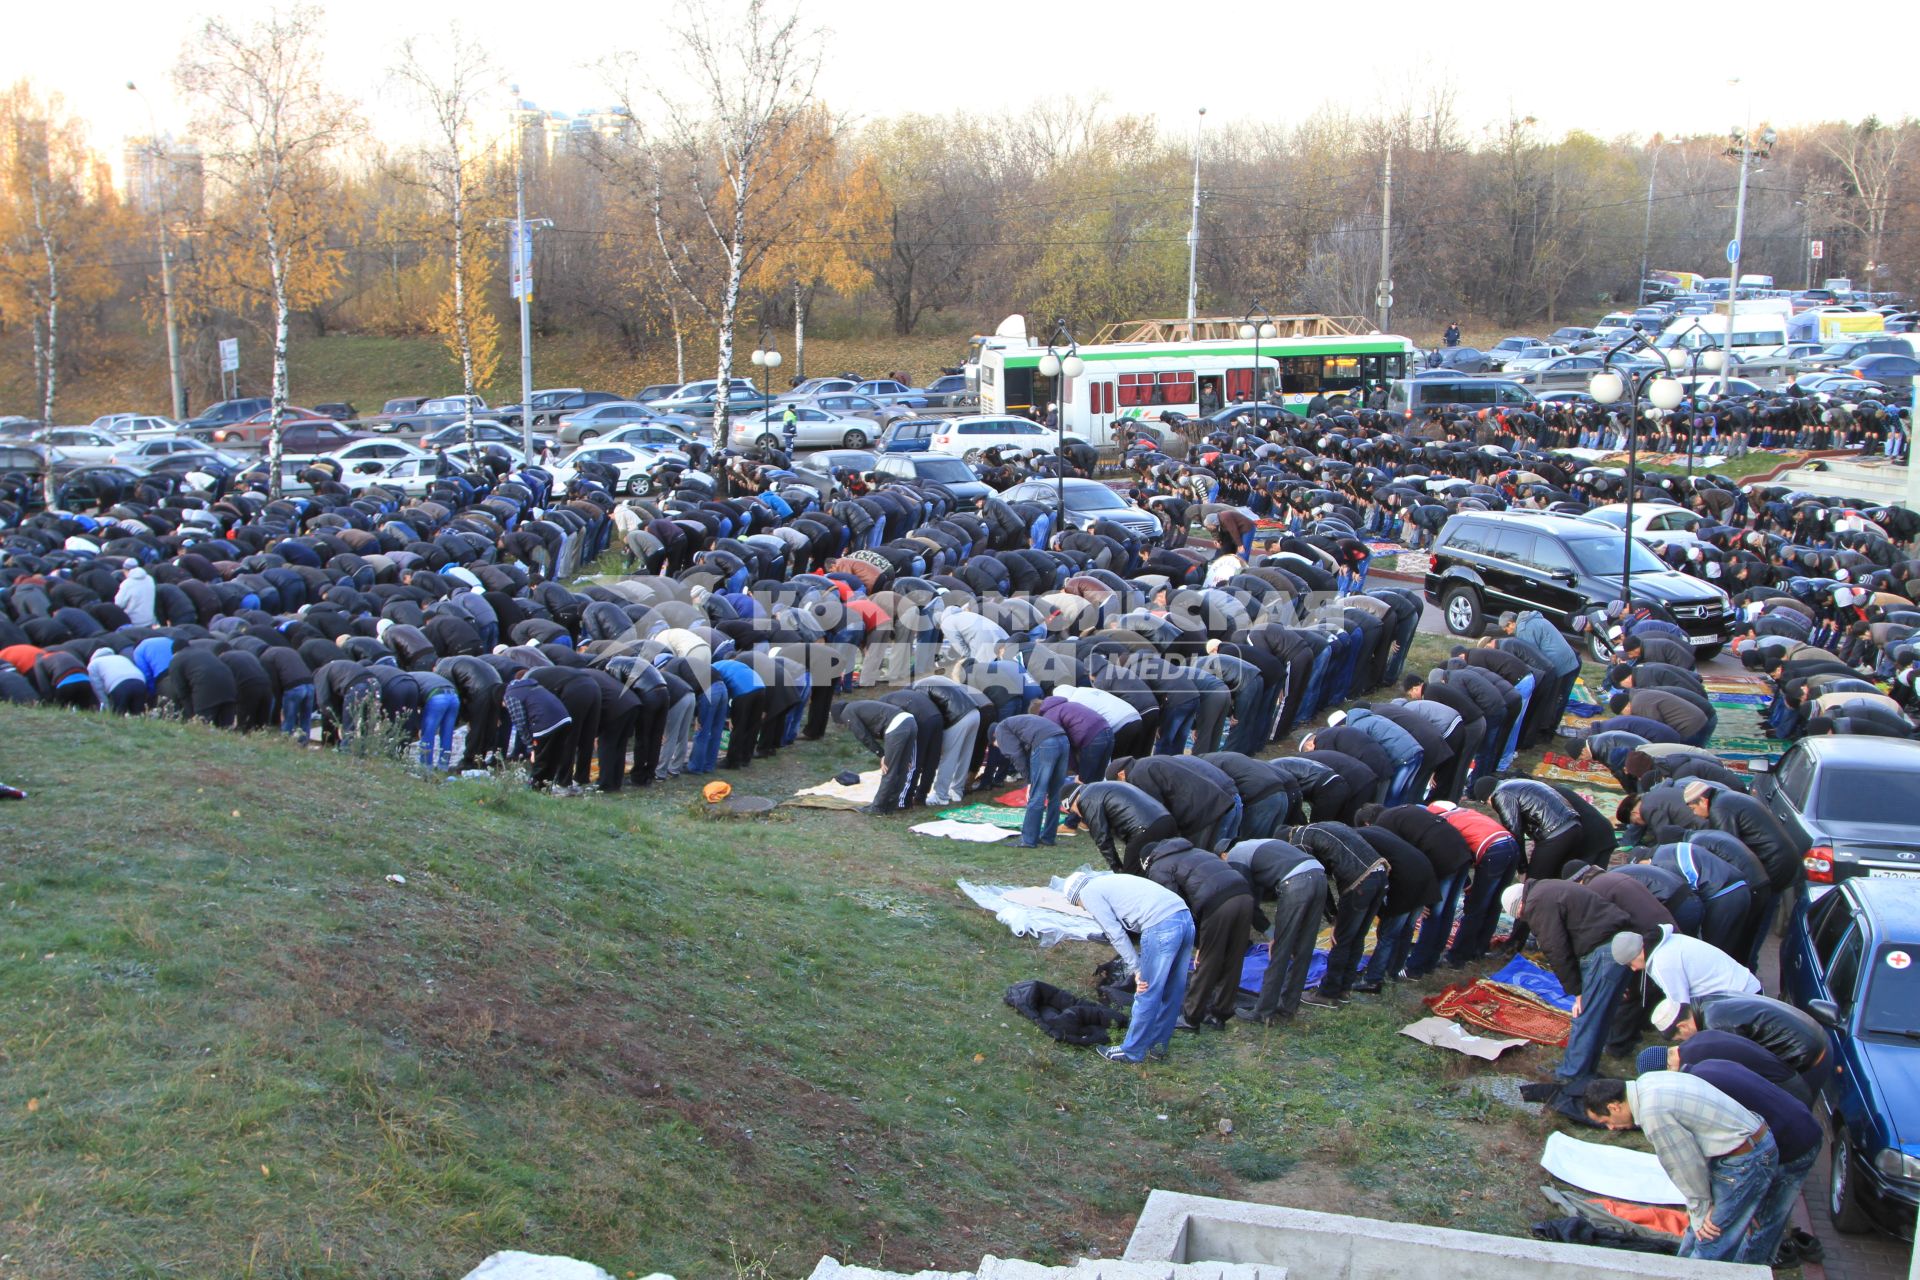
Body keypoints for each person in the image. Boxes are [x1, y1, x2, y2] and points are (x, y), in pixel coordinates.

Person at [1583, 1074, 1780, 1263]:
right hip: (1746, 1145)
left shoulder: (1652, 1114)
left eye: (1606, 1121)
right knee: (1698, 1229)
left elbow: (1685, 1165)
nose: (1610, 1128)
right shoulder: (1649, 1081)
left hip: (1745, 1159)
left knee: (1710, 1238)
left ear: (1614, 1107)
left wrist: (1701, 1207)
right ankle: (1680, 1269)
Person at [1504, 878, 1633, 1090]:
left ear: (1520, 906)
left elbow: (1556, 949)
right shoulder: (1546, 888)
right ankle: (1583, 1070)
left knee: (1586, 1015)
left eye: (1521, 917)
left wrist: (1577, 991)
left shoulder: (1537, 903)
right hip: (1616, 944)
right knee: (1599, 1014)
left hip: (1604, 952)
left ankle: (1571, 1076)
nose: (1525, 920)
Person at [1064, 869, 1194, 1064]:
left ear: (1077, 896)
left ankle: (1131, 1051)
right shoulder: (1109, 881)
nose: (1083, 908)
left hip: (1161, 925)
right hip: (1184, 917)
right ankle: (1158, 1047)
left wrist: (1137, 968)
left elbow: (1114, 933)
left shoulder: (1088, 892)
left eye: (1079, 905)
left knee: (1146, 990)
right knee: (1172, 990)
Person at [1140, 837, 1254, 1030]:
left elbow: (1175, 906)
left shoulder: (1159, 866)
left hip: (1219, 902)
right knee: (1234, 957)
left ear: (1147, 861)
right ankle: (1220, 1014)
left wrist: (1199, 943)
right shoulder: (1195, 850)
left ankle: (1191, 1017)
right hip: (1244, 894)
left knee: (1209, 960)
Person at [1224, 837, 1326, 1024]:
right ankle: (1287, 1008)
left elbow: (1247, 901)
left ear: (1223, 855)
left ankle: (1263, 1011)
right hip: (1319, 874)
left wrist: (1272, 935)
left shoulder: (1234, 857)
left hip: (1296, 882)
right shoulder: (1257, 845)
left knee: (1282, 949)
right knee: (1303, 948)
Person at [1615, 925, 1762, 1007]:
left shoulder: (1663, 963)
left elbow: (1681, 1007)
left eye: (1630, 963)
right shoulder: (1670, 941)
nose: (1633, 969)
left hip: (1740, 1000)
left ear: (1636, 953)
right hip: (1749, 988)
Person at [993, 713, 1070, 847]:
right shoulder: (1015, 723)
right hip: (1063, 739)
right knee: (1056, 793)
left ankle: (1028, 840)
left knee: (1037, 793)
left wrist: (1029, 780)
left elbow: (1016, 755)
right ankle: (1048, 837)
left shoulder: (1001, 729)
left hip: (1046, 743)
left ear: (994, 736)